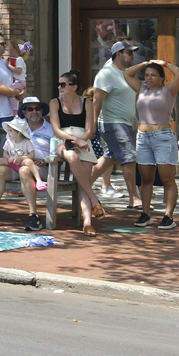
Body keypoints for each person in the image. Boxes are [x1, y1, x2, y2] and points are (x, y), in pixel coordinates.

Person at [124, 59, 179, 229]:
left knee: (167, 178)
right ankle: (145, 214)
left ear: (161, 78)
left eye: (153, 75)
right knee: (146, 178)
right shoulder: (142, 88)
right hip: (143, 137)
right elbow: (127, 73)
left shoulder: (168, 90)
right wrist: (144, 64)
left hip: (163, 137)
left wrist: (164, 63)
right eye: (147, 75)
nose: (149, 78)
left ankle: (168, 216)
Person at [88, 40, 142, 209]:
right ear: (118, 54)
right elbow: (96, 100)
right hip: (112, 123)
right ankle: (134, 198)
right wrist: (93, 125)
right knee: (129, 157)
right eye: (129, 53)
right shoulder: (107, 74)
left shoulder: (126, 73)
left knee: (109, 159)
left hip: (126, 123)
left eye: (133, 53)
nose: (133, 56)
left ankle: (81, 186)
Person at [49, 71, 104, 234]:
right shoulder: (55, 102)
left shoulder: (86, 102)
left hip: (83, 140)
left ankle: (87, 222)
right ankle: (94, 199)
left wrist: (82, 139)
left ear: (74, 87)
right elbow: (57, 130)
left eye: (63, 84)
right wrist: (74, 139)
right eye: (58, 84)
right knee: (71, 155)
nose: (59, 87)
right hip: (63, 140)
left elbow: (89, 129)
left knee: (83, 181)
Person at [0, 115, 47, 230]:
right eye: (29, 109)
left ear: (20, 132)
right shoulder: (9, 141)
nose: (9, 132)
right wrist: (9, 158)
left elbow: (31, 156)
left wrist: (21, 159)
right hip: (12, 166)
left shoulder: (28, 141)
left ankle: (34, 215)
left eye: (11, 130)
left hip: (33, 166)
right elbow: (5, 154)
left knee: (25, 169)